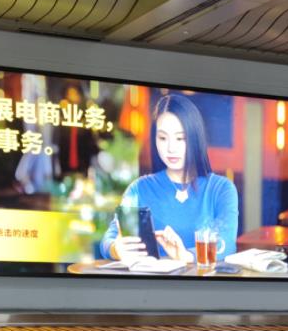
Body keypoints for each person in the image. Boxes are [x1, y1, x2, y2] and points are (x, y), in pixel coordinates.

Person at [100, 93, 238, 263]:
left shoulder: (221, 189)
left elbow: (226, 243)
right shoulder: (139, 189)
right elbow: (109, 238)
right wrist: (116, 249)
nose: (171, 148)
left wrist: (186, 256)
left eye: (180, 138)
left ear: (195, 138)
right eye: (163, 138)